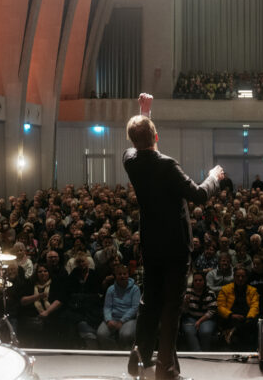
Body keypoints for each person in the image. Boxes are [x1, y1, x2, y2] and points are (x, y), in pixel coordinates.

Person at [123, 93, 223, 380]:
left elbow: (141, 144)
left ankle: (140, 356)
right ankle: (165, 369)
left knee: (148, 302)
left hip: (151, 245)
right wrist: (214, 176)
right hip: (176, 247)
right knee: (170, 309)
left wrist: (144, 113)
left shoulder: (129, 160)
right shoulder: (167, 165)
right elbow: (200, 194)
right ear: (157, 136)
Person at [97, 264, 140, 350]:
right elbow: (107, 307)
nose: (122, 276)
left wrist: (122, 321)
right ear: (116, 276)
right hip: (113, 318)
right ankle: (114, 350)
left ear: (128, 275)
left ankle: (125, 352)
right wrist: (108, 320)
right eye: (119, 274)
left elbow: (134, 308)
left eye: (124, 274)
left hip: (129, 319)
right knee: (101, 333)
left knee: (125, 334)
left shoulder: (135, 289)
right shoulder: (111, 289)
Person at [180, 272, 218, 351]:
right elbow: (183, 311)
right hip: (190, 317)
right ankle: (197, 353)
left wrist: (200, 321)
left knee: (205, 332)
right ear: (193, 282)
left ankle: (205, 353)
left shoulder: (210, 293)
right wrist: (186, 303)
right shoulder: (187, 292)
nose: (198, 282)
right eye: (196, 280)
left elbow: (212, 311)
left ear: (204, 281)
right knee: (189, 332)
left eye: (200, 280)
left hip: (206, 318)